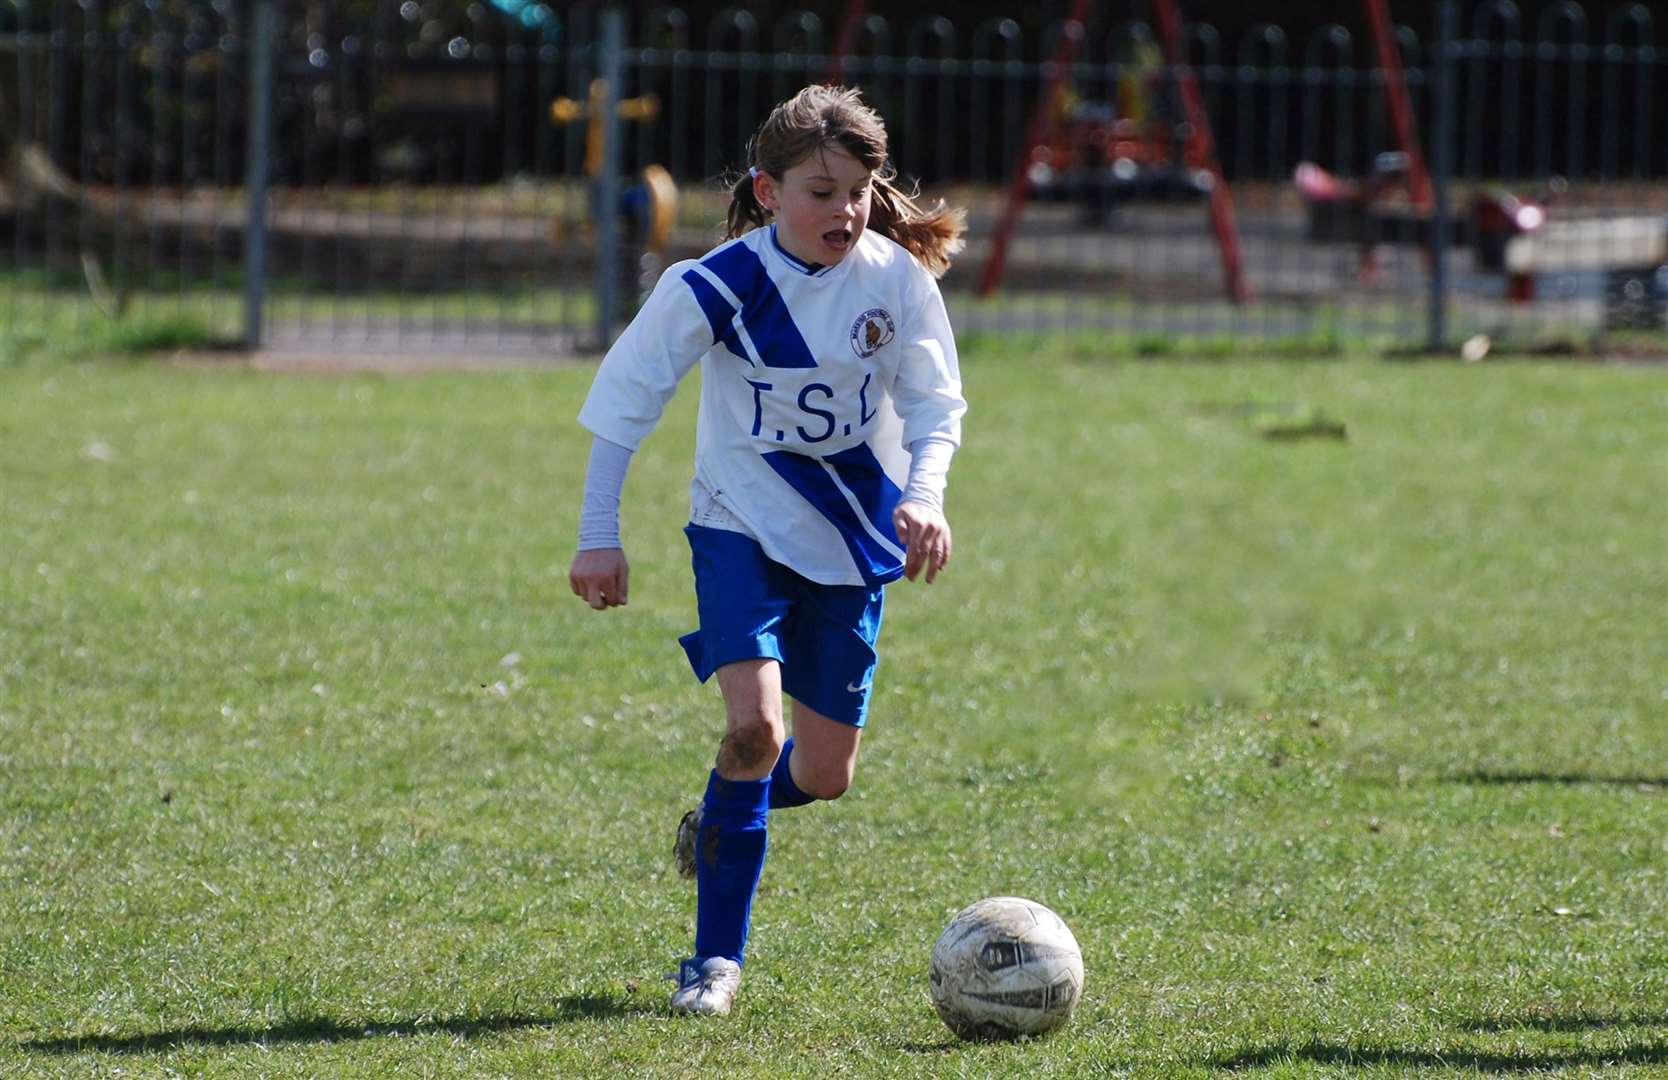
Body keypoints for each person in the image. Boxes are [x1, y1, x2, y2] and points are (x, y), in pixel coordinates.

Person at [567, 84, 967, 1017]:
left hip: (851, 539)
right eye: (821, 192)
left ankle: (719, 817)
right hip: (737, 527)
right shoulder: (714, 286)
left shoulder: (896, 280)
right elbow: (624, 405)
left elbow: (935, 405)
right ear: (768, 188)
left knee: (823, 776)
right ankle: (713, 964)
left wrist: (925, 498)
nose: (845, 211)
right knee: (754, 731)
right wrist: (598, 536)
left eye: (859, 191)